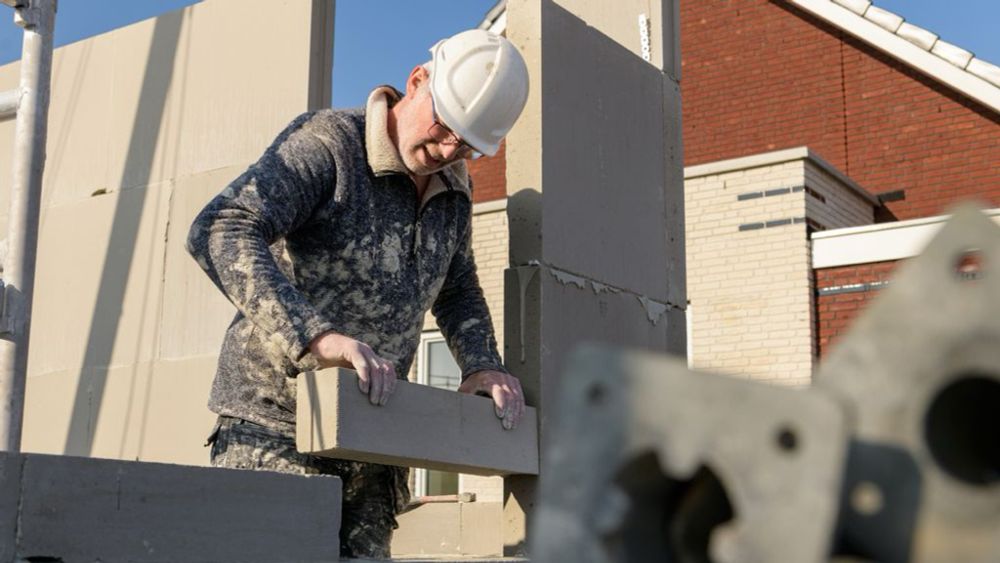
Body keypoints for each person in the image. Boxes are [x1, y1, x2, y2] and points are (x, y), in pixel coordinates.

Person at [186, 29, 530, 559]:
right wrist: (315, 337)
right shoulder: (330, 145)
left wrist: (481, 364)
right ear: (417, 81)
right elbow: (221, 227)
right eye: (444, 128)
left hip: (374, 438)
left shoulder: (454, 188)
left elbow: (456, 286)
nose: (446, 150)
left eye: (466, 145)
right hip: (279, 428)